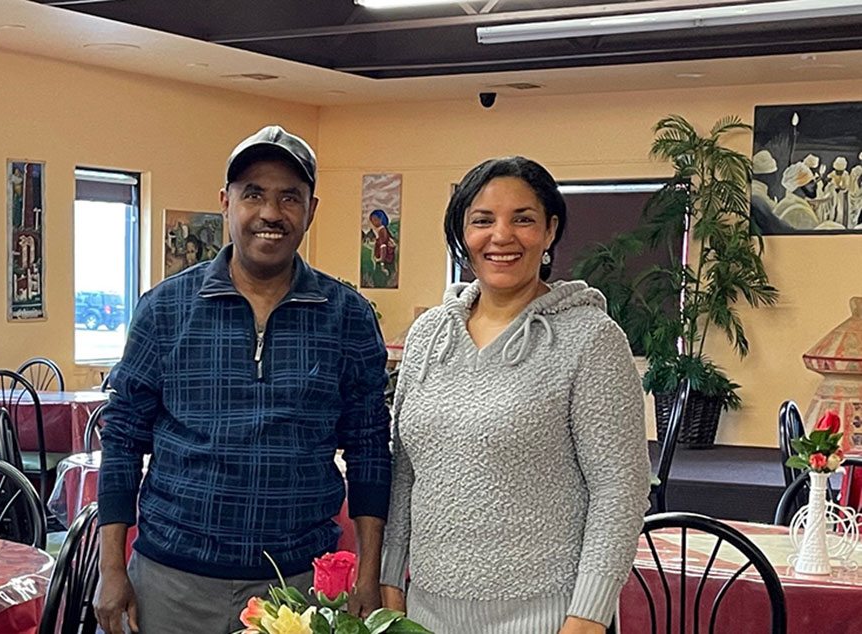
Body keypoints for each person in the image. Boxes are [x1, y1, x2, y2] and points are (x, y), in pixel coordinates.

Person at [95, 125, 392, 634]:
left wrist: (368, 573)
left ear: (311, 210)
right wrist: (110, 568)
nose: (270, 213)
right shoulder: (165, 309)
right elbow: (122, 440)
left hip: (299, 586)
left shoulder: (347, 316)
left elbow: (369, 448)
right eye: (253, 194)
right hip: (171, 580)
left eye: (289, 198)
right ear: (226, 203)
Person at [380, 156, 651, 634]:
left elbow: (620, 490)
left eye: (522, 219)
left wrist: (587, 615)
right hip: (425, 613)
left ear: (550, 231)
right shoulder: (427, 336)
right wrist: (390, 581)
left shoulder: (590, 339)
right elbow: (405, 473)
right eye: (482, 220)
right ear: (462, 233)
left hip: (546, 616)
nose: (501, 236)